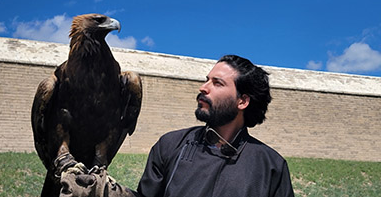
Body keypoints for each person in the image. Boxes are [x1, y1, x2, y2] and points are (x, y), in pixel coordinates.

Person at [55, 55, 295, 197]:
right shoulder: (170, 146)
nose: (204, 87)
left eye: (217, 83)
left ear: (242, 101)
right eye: (206, 80)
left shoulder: (271, 166)